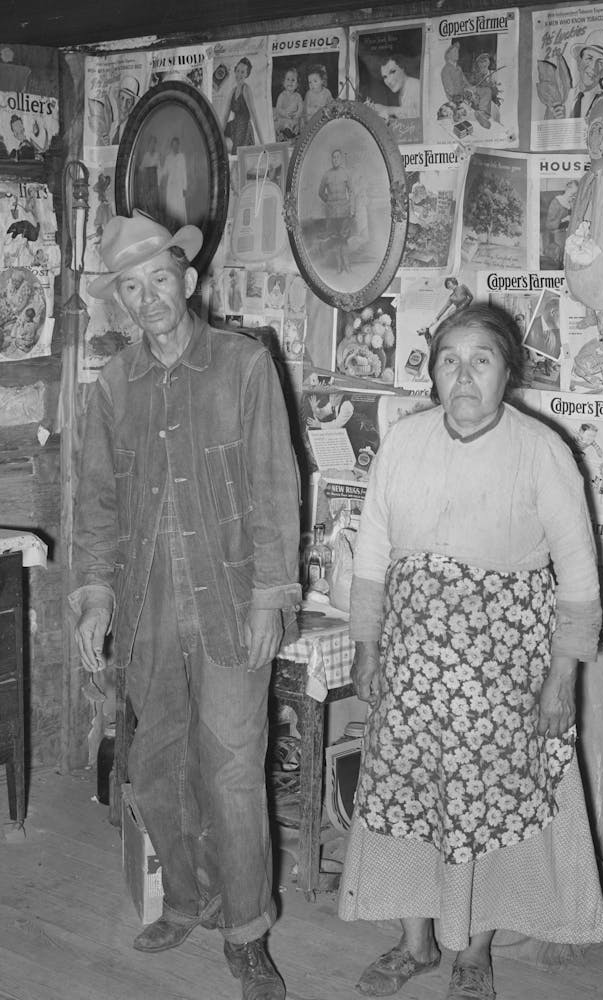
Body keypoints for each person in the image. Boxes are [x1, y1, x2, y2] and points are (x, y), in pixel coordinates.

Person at [338, 303, 603, 1000]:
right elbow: (372, 552)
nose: (463, 375)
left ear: (507, 372)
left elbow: (578, 573)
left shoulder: (542, 450)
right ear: (432, 374)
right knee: (404, 799)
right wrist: (366, 646)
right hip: (411, 663)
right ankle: (414, 944)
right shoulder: (404, 441)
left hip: (503, 672)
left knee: (489, 809)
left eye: (480, 360)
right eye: (449, 360)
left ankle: (474, 954)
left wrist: (561, 678)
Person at [69, 210, 301, 1000]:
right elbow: (96, 501)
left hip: (231, 603)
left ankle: (247, 935)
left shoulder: (243, 364)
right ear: (121, 303)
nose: (147, 299)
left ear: (188, 280)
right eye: (130, 289)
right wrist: (95, 592)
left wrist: (273, 595)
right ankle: (191, 900)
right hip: (146, 613)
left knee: (233, 773)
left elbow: (276, 488)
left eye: (158, 280)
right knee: (158, 768)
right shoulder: (112, 387)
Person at [550, 29, 603, 119]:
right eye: (589, 58)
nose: (593, 67)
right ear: (579, 62)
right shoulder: (565, 98)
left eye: (600, 62)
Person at [318, 148, 352, 273]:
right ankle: (339, 266)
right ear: (331, 159)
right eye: (333, 157)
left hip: (344, 210)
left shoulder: (346, 173)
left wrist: (351, 208)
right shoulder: (327, 175)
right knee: (335, 239)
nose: (335, 159)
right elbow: (320, 192)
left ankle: (347, 265)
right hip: (332, 212)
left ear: (341, 159)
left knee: (344, 238)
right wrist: (329, 202)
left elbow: (352, 192)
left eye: (337, 157)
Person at [224, 56, 260, 152]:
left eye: (243, 72)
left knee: (237, 154)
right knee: (216, 135)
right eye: (238, 70)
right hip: (233, 126)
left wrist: (263, 143)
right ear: (235, 71)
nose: (239, 74)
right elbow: (225, 117)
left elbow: (254, 117)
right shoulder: (233, 91)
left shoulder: (246, 90)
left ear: (247, 74)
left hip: (244, 129)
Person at [369, 52, 420, 119]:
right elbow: (407, 119)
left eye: (392, 72)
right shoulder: (402, 92)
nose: (389, 81)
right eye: (385, 77)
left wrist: (389, 109)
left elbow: (422, 114)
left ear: (402, 68)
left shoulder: (416, 85)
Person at [543, 180, 579, 268]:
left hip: (570, 232)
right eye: (572, 193)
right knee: (567, 251)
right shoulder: (556, 201)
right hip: (557, 233)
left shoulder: (572, 203)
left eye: (575, 194)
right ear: (567, 188)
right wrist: (563, 220)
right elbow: (549, 224)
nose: (573, 196)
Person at [162, 136, 188, 229]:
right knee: (171, 207)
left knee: (180, 207)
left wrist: (185, 188)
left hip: (179, 186)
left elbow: (184, 172)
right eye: (173, 145)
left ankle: (181, 227)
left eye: (176, 145)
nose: (175, 147)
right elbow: (164, 172)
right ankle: (171, 227)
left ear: (179, 145)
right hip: (171, 186)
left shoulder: (182, 157)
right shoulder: (168, 157)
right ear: (171, 146)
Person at [274, 67, 304, 140]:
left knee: (299, 123)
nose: (290, 82)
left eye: (293, 80)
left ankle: (294, 133)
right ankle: (286, 134)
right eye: (288, 79)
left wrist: (297, 114)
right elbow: (278, 108)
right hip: (284, 118)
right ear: (284, 82)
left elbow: (300, 108)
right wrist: (285, 114)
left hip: (294, 118)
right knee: (285, 124)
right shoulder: (282, 95)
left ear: (297, 84)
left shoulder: (298, 96)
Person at [110, 75, 140, 145]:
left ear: (133, 106)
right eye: (122, 98)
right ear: (117, 99)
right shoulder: (111, 127)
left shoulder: (133, 130)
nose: (124, 105)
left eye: (128, 101)